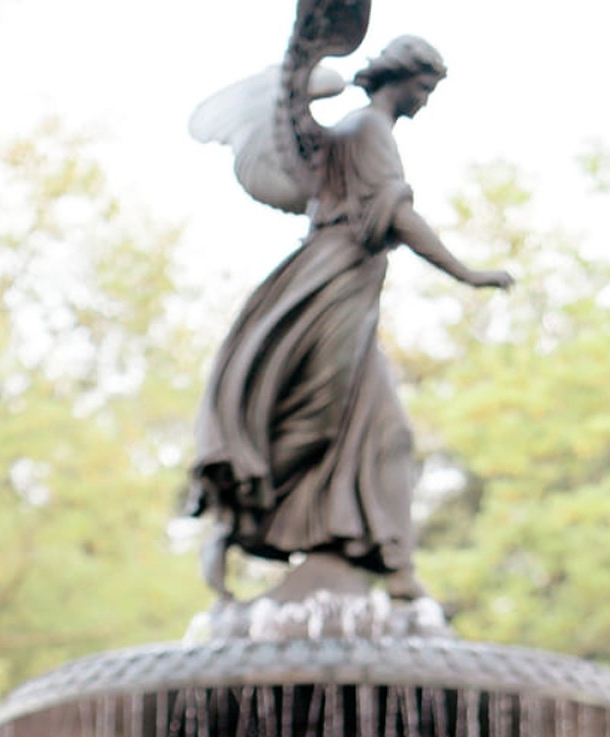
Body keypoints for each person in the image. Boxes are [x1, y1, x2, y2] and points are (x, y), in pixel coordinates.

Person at [189, 14, 513, 598]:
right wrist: (469, 273)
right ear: (403, 78)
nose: (426, 101)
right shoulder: (368, 130)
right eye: (426, 88)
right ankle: (237, 522)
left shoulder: (362, 131)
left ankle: (386, 564)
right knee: (318, 418)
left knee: (385, 428)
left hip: (354, 288)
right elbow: (399, 215)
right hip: (332, 282)